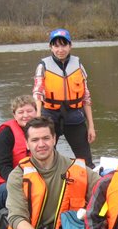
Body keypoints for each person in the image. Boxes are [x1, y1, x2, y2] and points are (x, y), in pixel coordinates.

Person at [33, 28, 96, 168]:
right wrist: (38, 117)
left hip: (74, 115)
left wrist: (91, 126)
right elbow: (38, 92)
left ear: (70, 46)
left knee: (86, 161)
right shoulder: (43, 66)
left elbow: (86, 96)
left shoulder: (78, 64)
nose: (60, 49)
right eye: (56, 46)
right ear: (51, 47)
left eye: (64, 45)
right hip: (50, 115)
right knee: (46, 159)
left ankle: (89, 184)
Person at [0, 95, 35, 210]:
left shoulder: (41, 131)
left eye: (29, 111)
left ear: (36, 111)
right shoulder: (6, 133)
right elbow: (3, 167)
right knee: (30, 190)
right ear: (14, 115)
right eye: (21, 112)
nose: (25, 115)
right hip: (1, 187)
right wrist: (24, 183)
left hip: (30, 181)